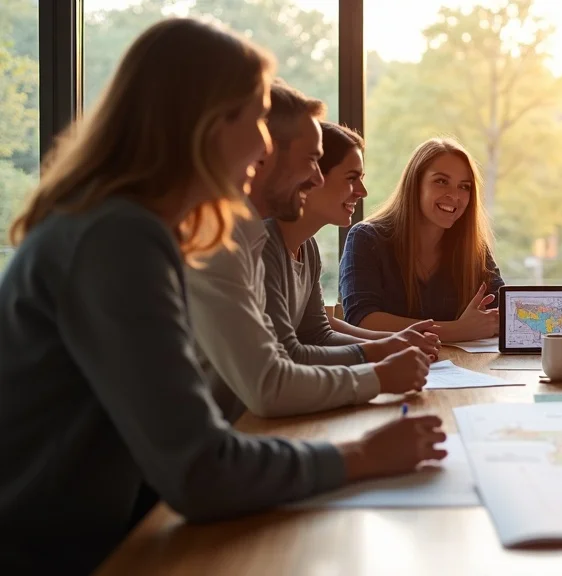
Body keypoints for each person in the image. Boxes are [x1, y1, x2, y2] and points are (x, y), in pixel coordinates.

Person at [0, 19, 446, 574]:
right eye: (257, 118)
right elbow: (200, 469)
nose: (265, 147)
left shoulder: (119, 226)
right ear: (207, 123)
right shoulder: (116, 238)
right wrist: (362, 456)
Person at [185, 80, 432, 422]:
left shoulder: (260, 239)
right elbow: (277, 373)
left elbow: (313, 335)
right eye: (312, 161)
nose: (314, 178)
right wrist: (378, 371)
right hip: (239, 430)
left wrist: (383, 351)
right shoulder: (232, 243)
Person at [262, 121, 442, 365]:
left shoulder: (308, 247)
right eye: (351, 178)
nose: (362, 191)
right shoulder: (263, 245)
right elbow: (289, 355)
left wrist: (395, 343)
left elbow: (318, 334)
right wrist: (381, 353)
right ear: (311, 177)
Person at [340, 137, 505, 342]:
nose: (454, 195)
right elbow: (362, 320)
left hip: (463, 369)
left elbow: (504, 312)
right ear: (415, 184)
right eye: (441, 181)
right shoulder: (366, 238)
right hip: (391, 369)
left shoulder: (473, 248)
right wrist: (454, 331)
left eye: (464, 186)